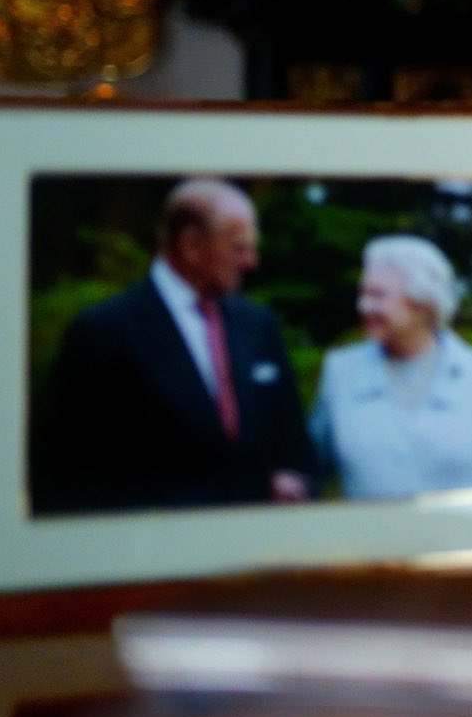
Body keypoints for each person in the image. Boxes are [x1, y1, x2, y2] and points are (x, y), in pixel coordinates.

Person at [32, 179, 314, 514]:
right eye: (239, 248)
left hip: (254, 536)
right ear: (191, 244)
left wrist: (292, 477)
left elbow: (294, 441)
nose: (251, 261)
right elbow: (65, 470)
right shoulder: (105, 331)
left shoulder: (258, 325)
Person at [310, 234, 472, 500]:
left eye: (377, 295)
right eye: (363, 294)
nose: (363, 306)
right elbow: (310, 469)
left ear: (422, 304)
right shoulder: (341, 372)